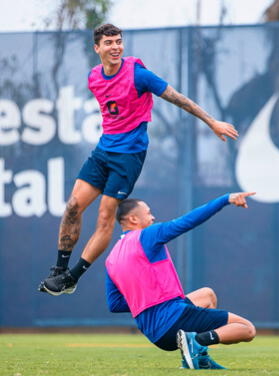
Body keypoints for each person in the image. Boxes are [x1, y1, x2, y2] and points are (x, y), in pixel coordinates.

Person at [38, 23, 239, 295]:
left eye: (119, 41)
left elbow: (178, 98)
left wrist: (212, 122)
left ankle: (73, 277)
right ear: (96, 48)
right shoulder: (94, 78)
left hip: (128, 157)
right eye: (109, 43)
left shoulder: (138, 74)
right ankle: (59, 270)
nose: (116, 47)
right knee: (73, 205)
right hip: (103, 152)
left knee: (105, 216)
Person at [105, 192, 257, 369]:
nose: (152, 217)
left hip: (155, 333)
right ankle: (198, 342)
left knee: (207, 295)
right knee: (247, 329)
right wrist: (225, 199)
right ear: (133, 219)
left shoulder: (111, 258)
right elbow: (186, 222)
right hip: (172, 320)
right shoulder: (147, 235)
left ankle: (197, 356)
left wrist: (147, 297)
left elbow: (114, 304)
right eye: (148, 212)